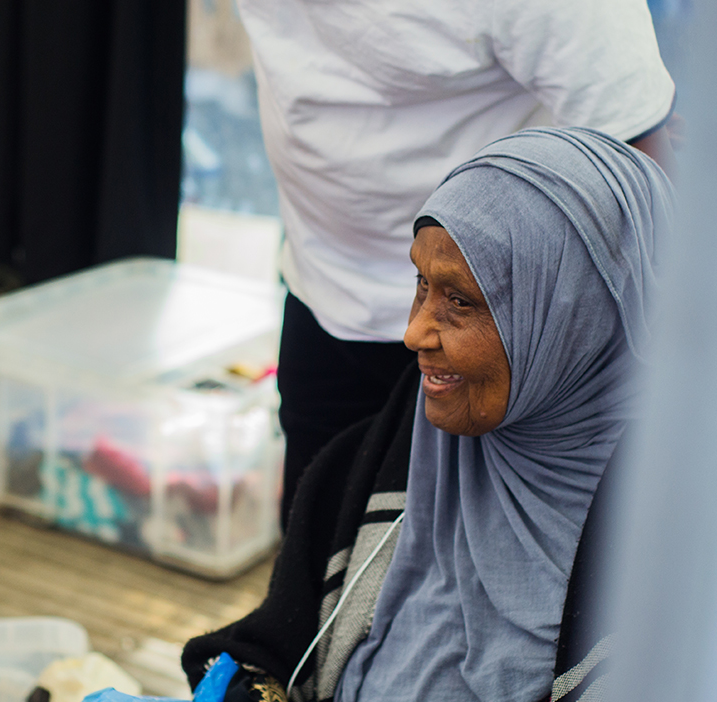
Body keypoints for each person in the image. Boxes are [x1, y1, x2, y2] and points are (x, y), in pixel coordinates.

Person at [182, 127, 674, 702]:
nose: (414, 332)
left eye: (460, 301)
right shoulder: (380, 465)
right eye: (421, 284)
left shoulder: (671, 566)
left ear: (577, 323)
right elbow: (270, 651)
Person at [238, 0, 678, 525]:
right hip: (322, 290)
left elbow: (640, 185)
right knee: (320, 548)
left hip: (493, 332)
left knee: (484, 546)